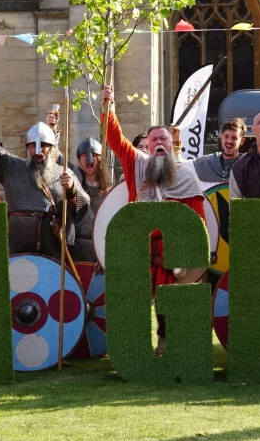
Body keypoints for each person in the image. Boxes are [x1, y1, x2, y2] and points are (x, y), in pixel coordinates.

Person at [101, 84, 207, 354]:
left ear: (172, 145)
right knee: (133, 300)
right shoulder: (136, 163)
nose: (159, 143)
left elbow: (198, 214)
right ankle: (133, 349)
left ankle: (166, 343)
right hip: (139, 246)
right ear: (147, 145)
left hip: (170, 251)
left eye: (164, 140)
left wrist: (192, 249)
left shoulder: (185, 174)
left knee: (169, 301)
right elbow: (115, 139)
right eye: (154, 140)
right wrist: (108, 107)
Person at [0, 96, 89, 258]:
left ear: (52, 148)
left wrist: (72, 189)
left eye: (43, 146)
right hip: (18, 251)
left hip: (52, 251)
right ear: (27, 147)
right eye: (33, 146)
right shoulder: (12, 167)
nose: (38, 151)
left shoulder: (63, 172)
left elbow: (83, 205)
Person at [72, 137, 110, 263]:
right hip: (74, 252)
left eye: (94, 154)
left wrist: (104, 256)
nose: (89, 158)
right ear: (78, 160)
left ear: (100, 159)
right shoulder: (72, 188)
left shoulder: (109, 193)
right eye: (84, 155)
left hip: (100, 252)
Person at [188, 118, 246, 185]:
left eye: (234, 138)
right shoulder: (207, 162)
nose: (229, 141)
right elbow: (180, 166)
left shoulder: (248, 165)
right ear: (221, 137)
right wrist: (176, 142)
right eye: (226, 136)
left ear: (242, 141)